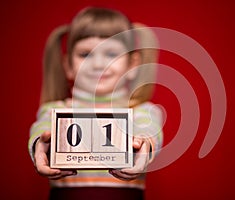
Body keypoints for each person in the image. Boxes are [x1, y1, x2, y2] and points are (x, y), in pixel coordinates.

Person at [28, 7, 163, 200]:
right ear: (67, 66)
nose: (98, 64)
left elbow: (150, 132)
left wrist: (144, 146)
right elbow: (41, 129)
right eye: (85, 54)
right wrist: (40, 145)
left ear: (133, 65)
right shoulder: (54, 111)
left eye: (111, 54)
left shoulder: (143, 111)